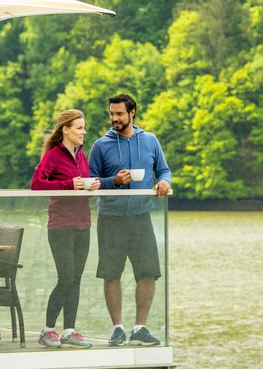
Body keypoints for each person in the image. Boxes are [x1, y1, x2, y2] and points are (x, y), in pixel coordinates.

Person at [89, 94, 172, 347]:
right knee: (111, 274)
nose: (114, 119)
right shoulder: (100, 145)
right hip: (110, 217)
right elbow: (90, 181)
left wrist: (164, 182)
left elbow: (164, 170)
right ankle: (118, 328)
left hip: (140, 217)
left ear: (132, 112)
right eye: (111, 114)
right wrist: (113, 181)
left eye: (119, 114)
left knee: (148, 273)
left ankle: (140, 327)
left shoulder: (150, 140)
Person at [30, 109, 100, 349]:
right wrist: (68, 184)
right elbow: (36, 184)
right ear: (66, 130)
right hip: (60, 225)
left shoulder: (81, 155)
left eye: (84, 127)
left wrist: (92, 186)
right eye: (80, 128)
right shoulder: (53, 155)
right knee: (66, 278)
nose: (84, 132)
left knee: (77, 279)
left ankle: (69, 330)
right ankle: (47, 330)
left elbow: (80, 184)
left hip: (83, 224)